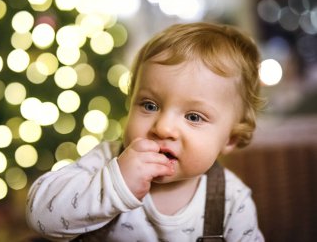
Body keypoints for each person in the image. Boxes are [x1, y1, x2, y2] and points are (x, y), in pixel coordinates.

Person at [26, 22, 265, 241]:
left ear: (230, 139)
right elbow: (39, 217)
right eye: (149, 106)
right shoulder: (107, 162)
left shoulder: (232, 200)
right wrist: (115, 184)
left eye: (193, 117)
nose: (162, 128)